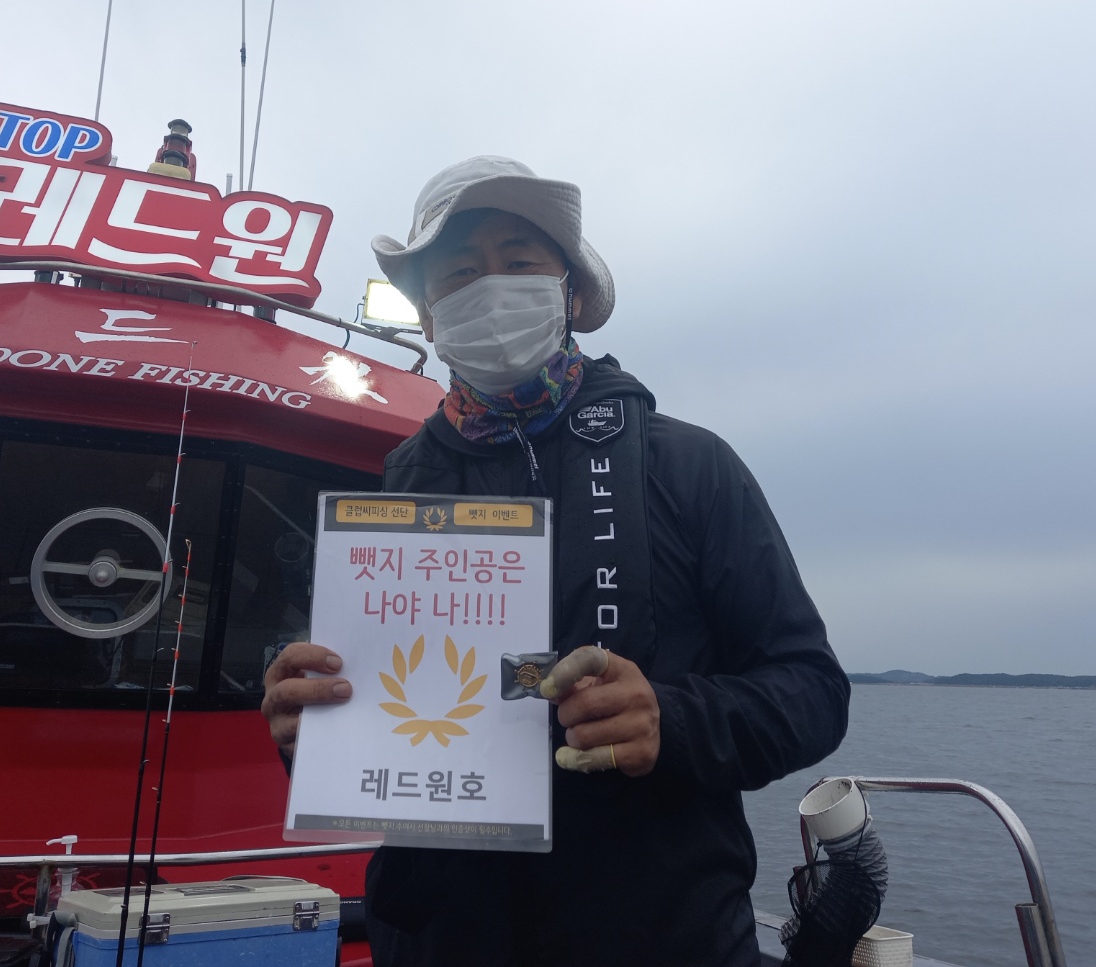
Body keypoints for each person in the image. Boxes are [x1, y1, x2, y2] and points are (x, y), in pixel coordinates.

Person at [262, 156, 850, 966]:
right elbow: (371, 702)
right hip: (439, 944)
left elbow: (813, 692)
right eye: (460, 273)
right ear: (428, 315)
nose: (490, 287)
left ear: (570, 294)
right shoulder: (393, 487)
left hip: (663, 940)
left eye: (519, 261)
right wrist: (309, 725)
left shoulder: (690, 466)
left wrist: (671, 720)